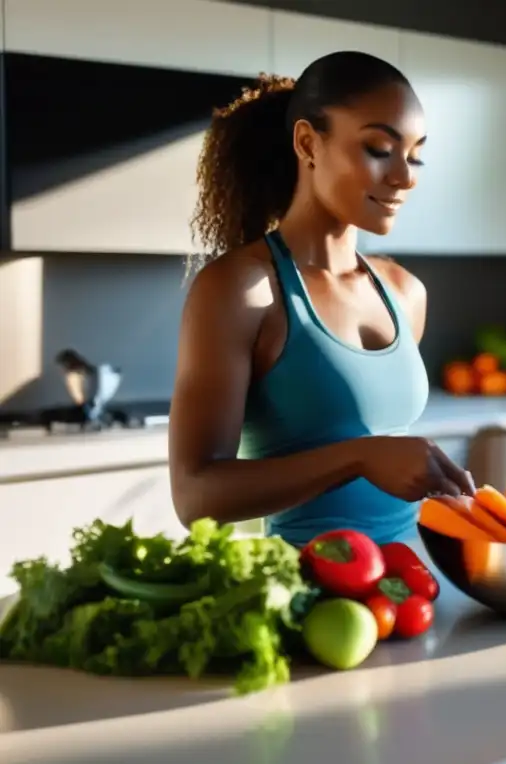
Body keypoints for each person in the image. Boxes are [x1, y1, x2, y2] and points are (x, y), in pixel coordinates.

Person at [168, 51, 476, 548]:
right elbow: (195, 496)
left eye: (415, 154)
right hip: (302, 600)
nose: (405, 176)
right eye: (379, 148)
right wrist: (359, 456)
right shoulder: (242, 290)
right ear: (308, 143)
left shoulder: (404, 291)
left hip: (411, 591)